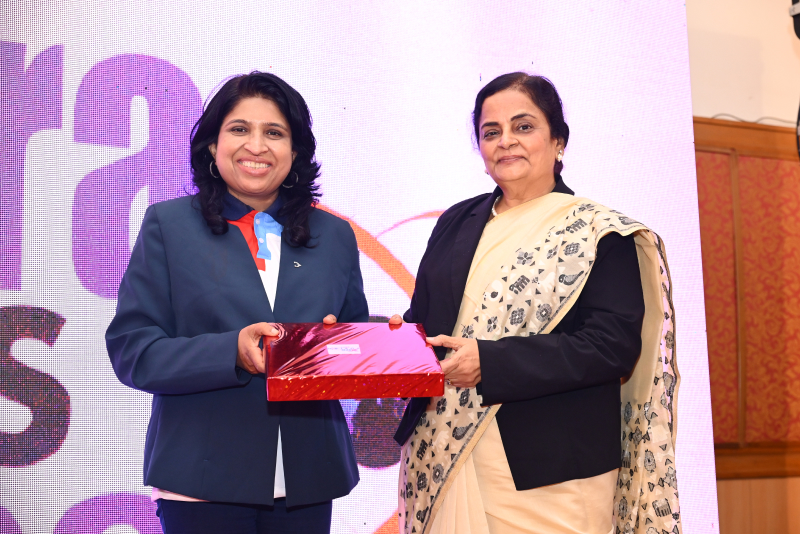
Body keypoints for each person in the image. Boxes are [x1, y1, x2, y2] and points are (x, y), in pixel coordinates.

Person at [391, 73, 681, 534]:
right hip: (442, 453)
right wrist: (391, 345)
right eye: (491, 132)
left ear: (558, 140)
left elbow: (611, 347)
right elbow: (423, 322)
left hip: (552, 469)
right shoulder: (456, 221)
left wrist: (490, 362)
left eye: (523, 127)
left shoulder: (600, 232)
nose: (506, 141)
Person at [106, 72, 368, 533]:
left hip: (308, 479)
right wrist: (232, 352)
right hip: (201, 480)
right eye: (240, 129)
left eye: (275, 133)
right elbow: (134, 351)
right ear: (213, 144)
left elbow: (353, 347)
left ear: (295, 151)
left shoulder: (335, 235)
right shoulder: (168, 226)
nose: (257, 146)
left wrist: (368, 345)